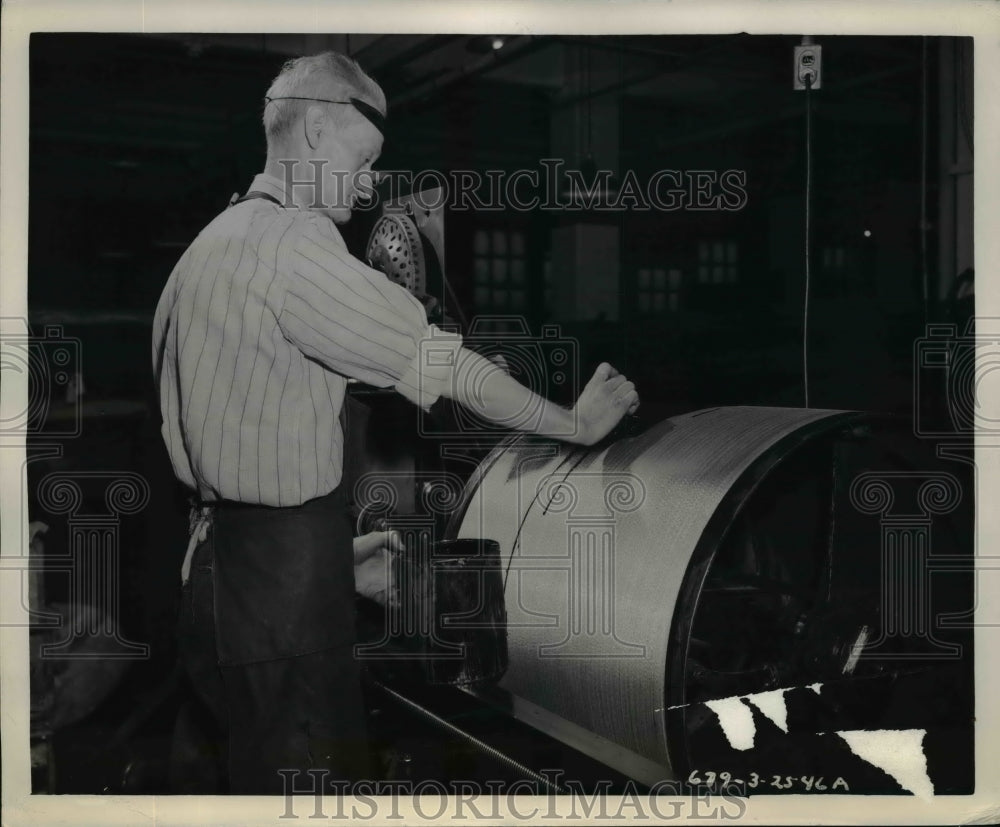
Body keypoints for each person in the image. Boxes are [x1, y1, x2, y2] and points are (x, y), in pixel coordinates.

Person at [152, 50, 638, 795]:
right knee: (310, 789)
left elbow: (239, 461)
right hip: (281, 605)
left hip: (216, 578)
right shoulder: (295, 248)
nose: (372, 177)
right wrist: (573, 425)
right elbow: (450, 367)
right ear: (317, 128)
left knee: (225, 779)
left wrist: (331, 562)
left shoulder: (202, 252)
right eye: (367, 154)